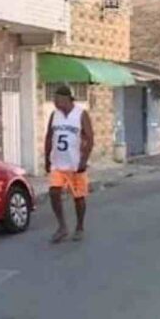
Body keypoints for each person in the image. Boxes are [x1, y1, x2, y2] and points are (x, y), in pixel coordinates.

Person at [45, 85, 94, 244]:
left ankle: (79, 227)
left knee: (78, 197)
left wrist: (84, 160)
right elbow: (49, 137)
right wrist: (46, 158)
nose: (55, 101)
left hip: (75, 164)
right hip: (58, 164)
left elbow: (90, 138)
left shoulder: (81, 114)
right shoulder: (55, 115)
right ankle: (62, 226)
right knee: (54, 192)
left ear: (67, 98)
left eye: (57, 98)